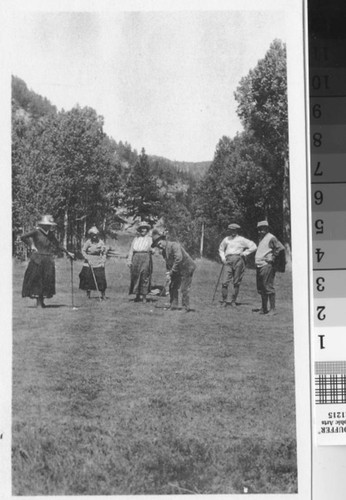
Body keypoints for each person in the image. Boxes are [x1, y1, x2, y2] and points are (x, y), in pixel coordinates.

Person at [21, 214, 74, 308]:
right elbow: (23, 237)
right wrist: (31, 245)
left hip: (48, 259)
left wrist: (67, 252)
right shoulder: (36, 232)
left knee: (46, 280)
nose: (49, 226)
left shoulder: (50, 234)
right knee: (37, 280)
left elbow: (58, 244)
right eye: (47, 224)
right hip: (37, 259)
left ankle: (42, 301)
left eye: (50, 225)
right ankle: (38, 302)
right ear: (43, 225)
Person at [151, 229, 196, 312]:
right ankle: (173, 305)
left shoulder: (174, 245)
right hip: (178, 269)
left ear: (164, 240)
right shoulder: (164, 252)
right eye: (157, 245)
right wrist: (168, 273)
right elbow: (168, 264)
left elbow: (178, 259)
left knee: (184, 288)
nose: (159, 246)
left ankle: (186, 308)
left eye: (160, 243)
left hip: (187, 267)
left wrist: (171, 272)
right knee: (172, 286)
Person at [218, 223, 257, 307]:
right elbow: (221, 249)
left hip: (238, 260)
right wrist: (223, 259)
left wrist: (245, 253)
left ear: (237, 231)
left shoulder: (241, 239)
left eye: (234, 230)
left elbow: (253, 246)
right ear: (229, 231)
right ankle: (224, 301)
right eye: (231, 230)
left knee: (236, 282)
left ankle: (233, 301)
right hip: (228, 261)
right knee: (224, 282)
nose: (233, 232)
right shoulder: (226, 239)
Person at [255, 220, 285, 316]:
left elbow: (280, 248)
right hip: (259, 265)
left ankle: (273, 309)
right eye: (259, 229)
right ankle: (264, 308)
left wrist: (273, 256)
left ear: (267, 229)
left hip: (267, 266)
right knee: (261, 287)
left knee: (268, 286)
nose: (260, 231)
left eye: (262, 229)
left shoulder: (271, 237)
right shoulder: (261, 238)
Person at [127, 221, 153, 303]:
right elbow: (131, 250)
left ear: (147, 230)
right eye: (142, 228)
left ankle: (144, 296)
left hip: (145, 257)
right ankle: (137, 295)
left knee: (144, 275)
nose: (143, 230)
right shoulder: (136, 239)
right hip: (136, 258)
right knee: (136, 276)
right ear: (139, 229)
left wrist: (152, 250)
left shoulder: (150, 239)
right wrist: (129, 260)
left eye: (145, 228)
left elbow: (154, 250)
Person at [79, 226, 108, 300]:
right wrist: (87, 258)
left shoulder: (101, 242)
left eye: (96, 235)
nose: (94, 236)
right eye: (93, 235)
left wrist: (103, 261)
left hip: (98, 262)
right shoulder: (88, 242)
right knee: (87, 278)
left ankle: (103, 294)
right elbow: (83, 251)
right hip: (89, 262)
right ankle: (88, 295)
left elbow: (104, 253)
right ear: (91, 235)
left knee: (101, 278)